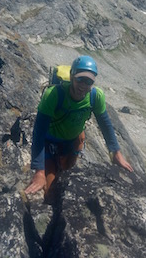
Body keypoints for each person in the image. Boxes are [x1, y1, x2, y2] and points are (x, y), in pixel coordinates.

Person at [25, 55, 133, 197]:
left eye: (88, 81)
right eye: (80, 79)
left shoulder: (96, 96)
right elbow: (38, 132)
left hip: (73, 140)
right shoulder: (53, 95)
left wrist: (116, 153)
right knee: (50, 190)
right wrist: (39, 172)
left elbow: (105, 124)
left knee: (67, 173)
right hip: (49, 140)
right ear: (71, 77)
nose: (83, 85)